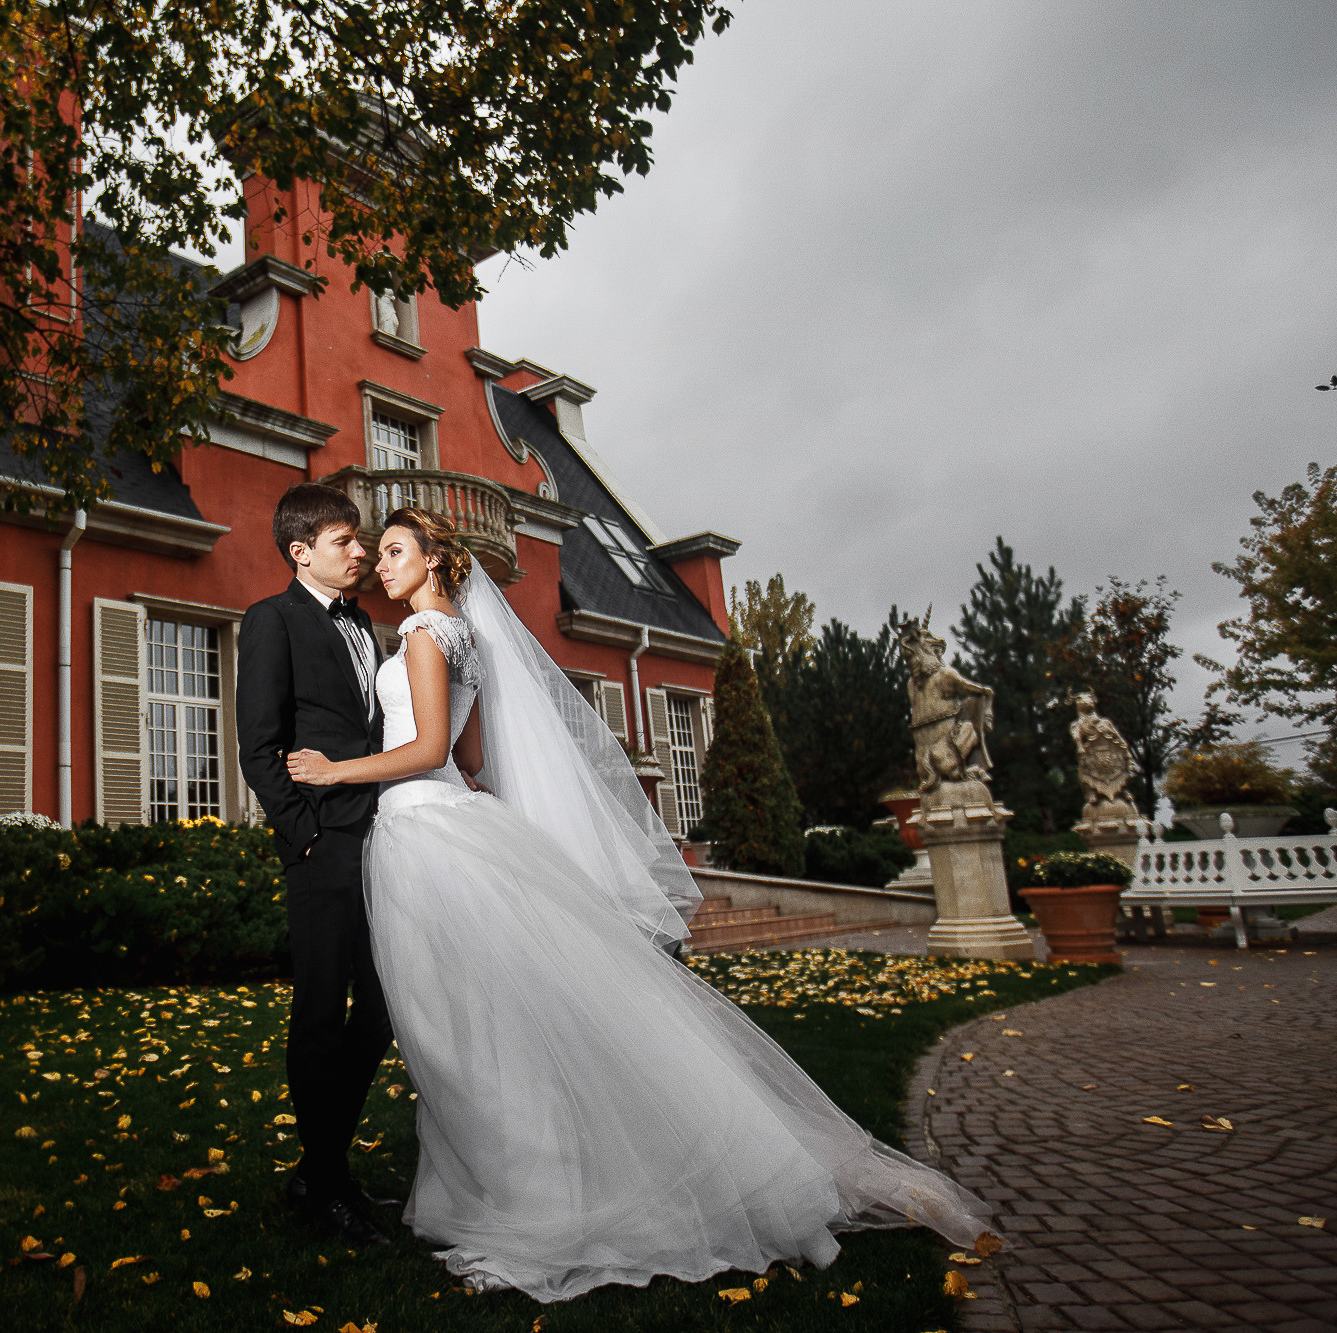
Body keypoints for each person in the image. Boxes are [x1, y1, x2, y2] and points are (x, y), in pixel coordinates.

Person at [285, 508, 999, 1302]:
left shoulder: (421, 633)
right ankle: (510, 1184)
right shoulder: (466, 638)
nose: (380, 564)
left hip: (422, 832)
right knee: (490, 1022)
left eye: (394, 551)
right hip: (453, 821)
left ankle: (535, 1202)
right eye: (376, 552)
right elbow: (474, 755)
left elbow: (424, 752)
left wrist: (334, 770)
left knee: (463, 1030)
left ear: (432, 561)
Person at [236, 483, 400, 1248]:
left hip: (386, 843)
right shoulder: (273, 621)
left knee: (379, 1011)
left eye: (360, 540)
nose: (361, 550)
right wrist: (303, 837)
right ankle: (328, 1186)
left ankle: (317, 1166)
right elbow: (258, 745)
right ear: (302, 551)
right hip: (322, 847)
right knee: (320, 1016)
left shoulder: (366, 625)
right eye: (346, 541)